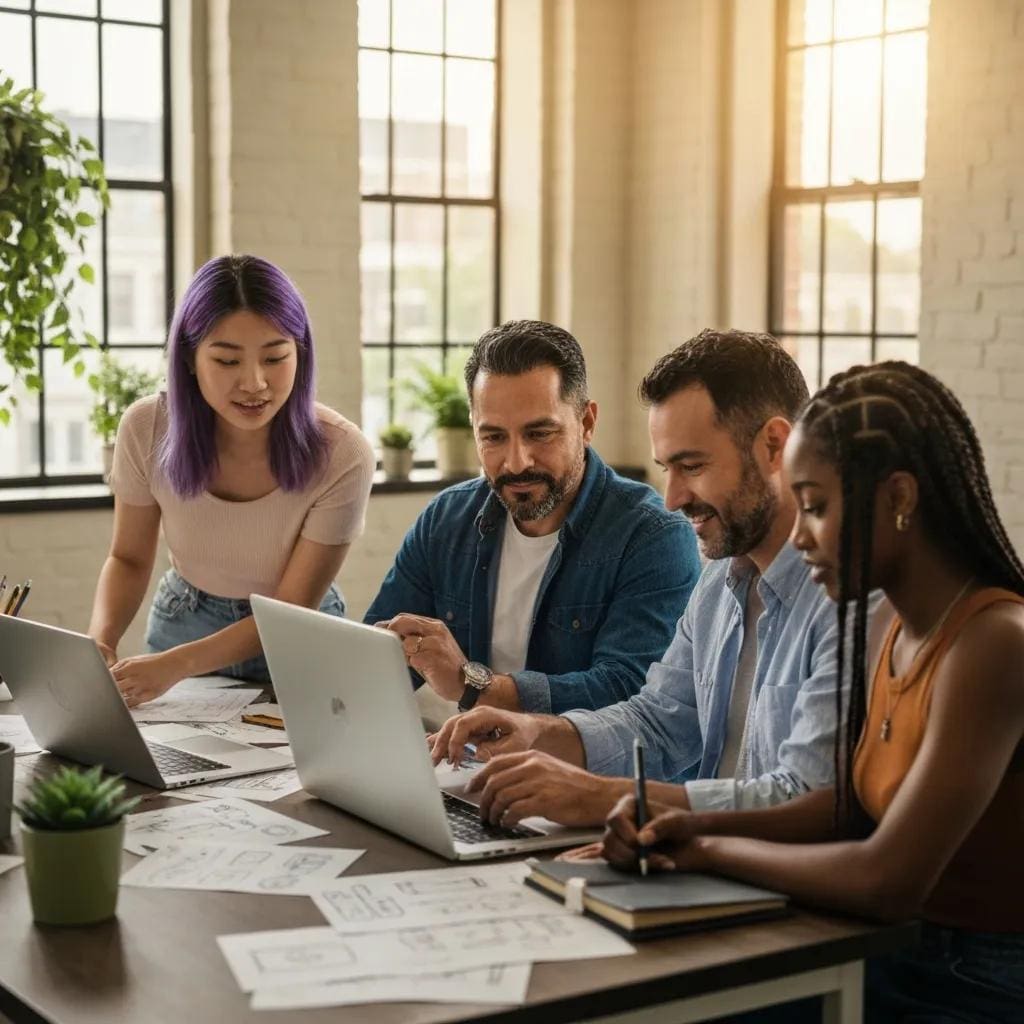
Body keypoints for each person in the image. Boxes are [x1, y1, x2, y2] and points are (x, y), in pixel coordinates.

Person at [601, 361, 1024, 1023]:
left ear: (900, 499)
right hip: (884, 951)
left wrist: (707, 850)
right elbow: (841, 813)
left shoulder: (993, 643)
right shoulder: (897, 631)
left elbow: (887, 880)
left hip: (964, 981)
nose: (798, 536)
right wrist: (683, 823)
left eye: (818, 508)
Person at [430, 329, 867, 827]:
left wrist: (603, 797)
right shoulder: (721, 579)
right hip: (700, 864)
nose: (673, 498)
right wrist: (537, 734)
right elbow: (659, 721)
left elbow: (809, 801)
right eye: (666, 468)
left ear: (774, 446)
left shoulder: (849, 600)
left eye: (693, 466)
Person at [365, 319, 699, 717]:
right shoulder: (446, 519)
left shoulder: (653, 535)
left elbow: (627, 692)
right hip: (466, 765)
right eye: (493, 437)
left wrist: (473, 683)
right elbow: (376, 659)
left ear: (587, 423)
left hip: (586, 776)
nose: (517, 462)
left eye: (539, 434)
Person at [89, 254, 375, 706]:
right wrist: (99, 643)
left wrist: (177, 665)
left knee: (300, 775)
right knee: (167, 769)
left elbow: (289, 608)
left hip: (299, 635)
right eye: (226, 360)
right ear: (188, 358)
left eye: (276, 357)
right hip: (184, 619)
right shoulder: (146, 427)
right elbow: (127, 557)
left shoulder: (343, 452)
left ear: (300, 353)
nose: (254, 383)